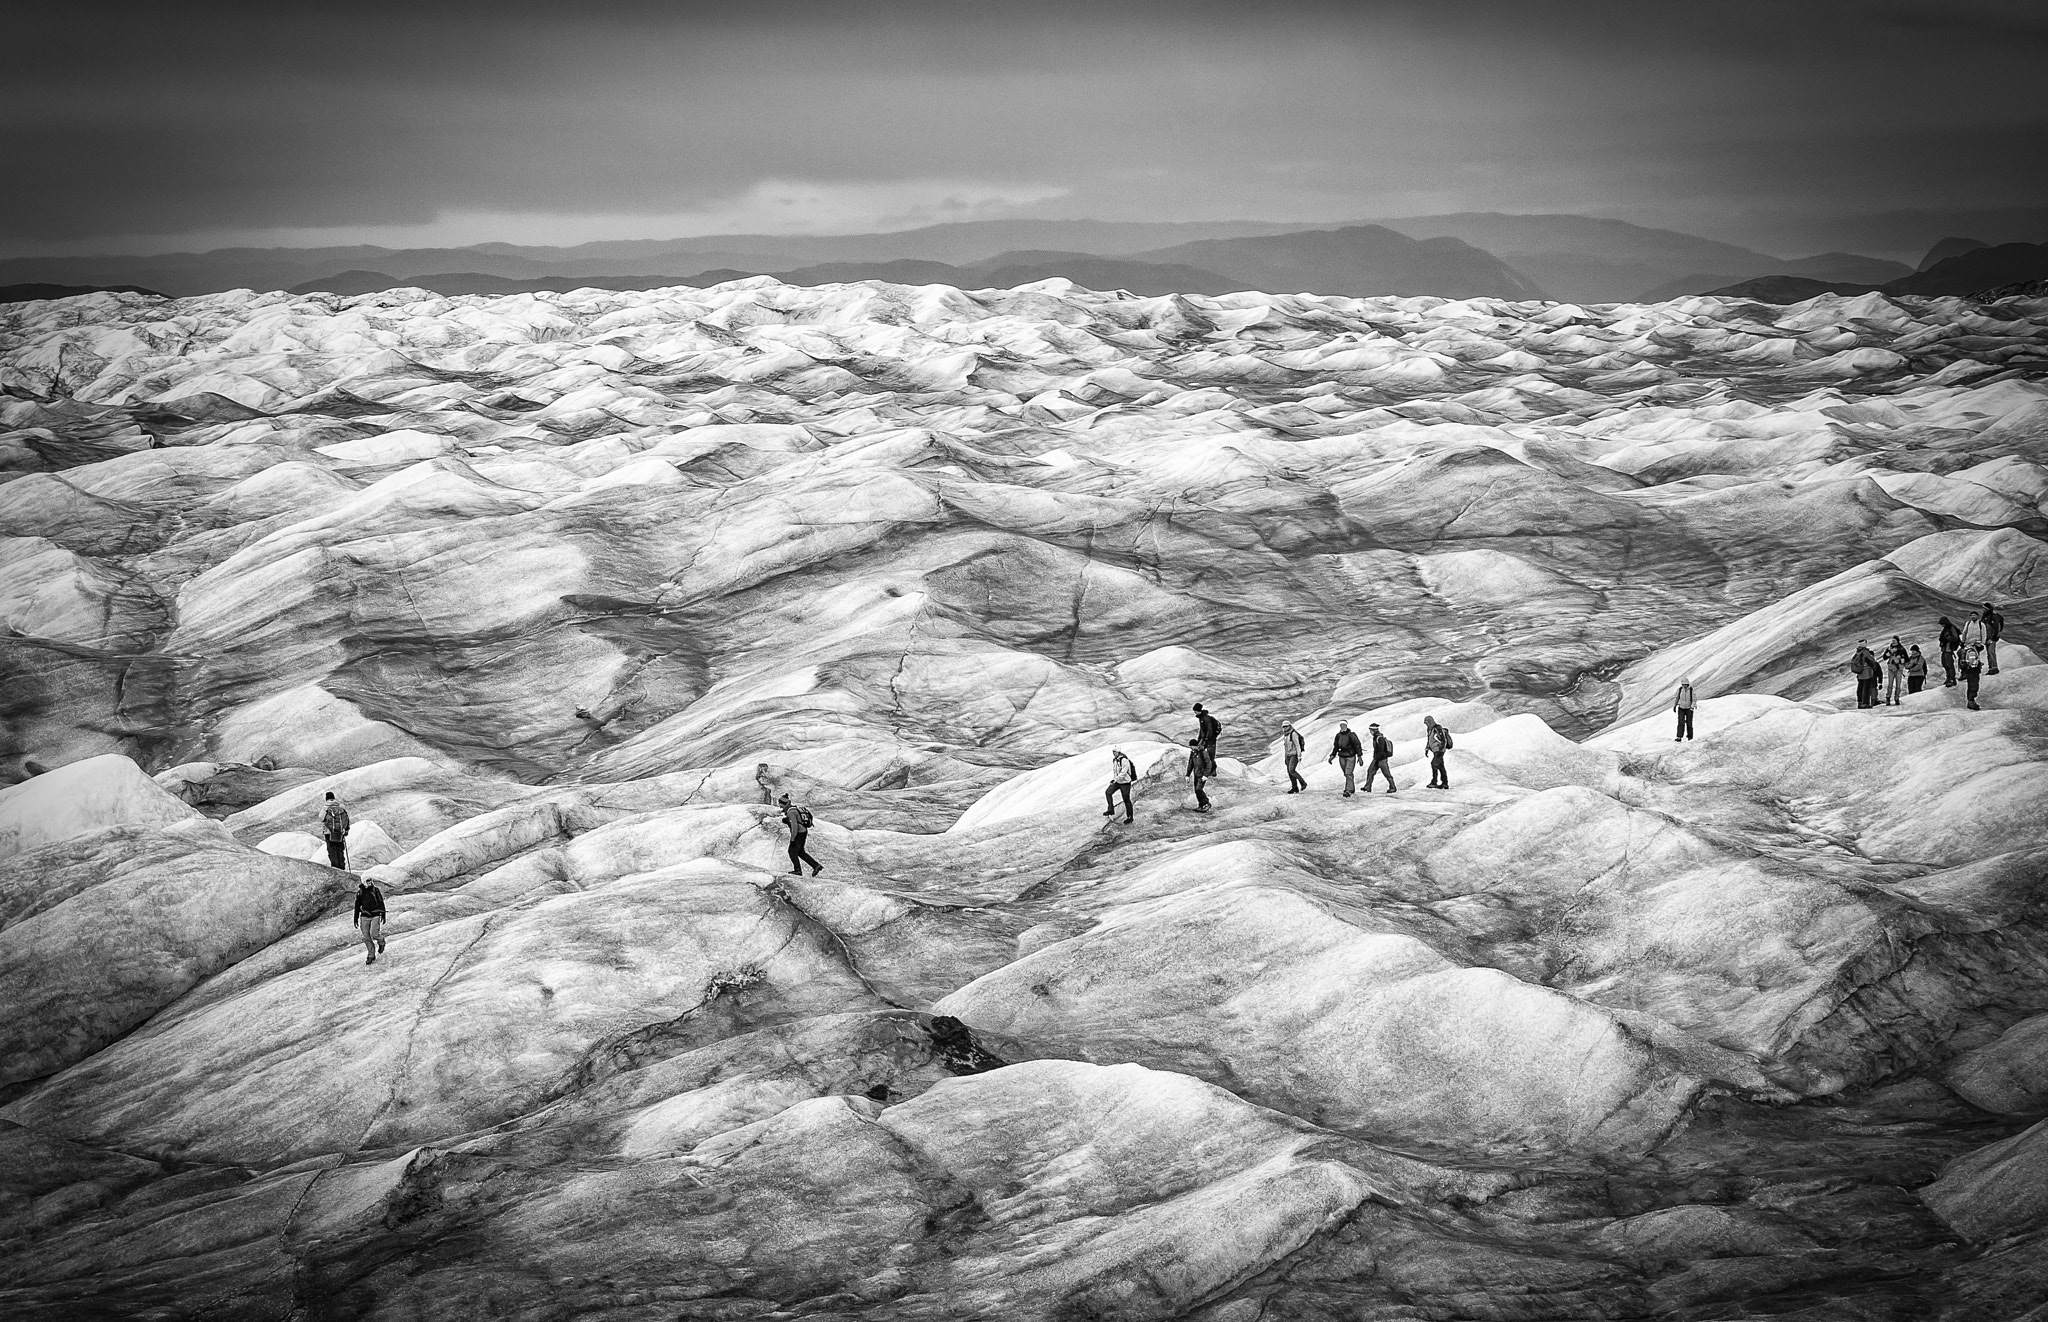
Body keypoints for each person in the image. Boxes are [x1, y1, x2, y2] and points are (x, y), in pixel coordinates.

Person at [778, 793, 822, 875]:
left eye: (780, 804)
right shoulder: (793, 809)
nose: (780, 806)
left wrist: (793, 839)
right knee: (800, 852)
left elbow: (794, 826)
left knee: (792, 851)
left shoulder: (791, 812)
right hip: (803, 832)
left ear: (784, 804)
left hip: (799, 833)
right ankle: (816, 866)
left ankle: (798, 870)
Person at [352, 876, 387, 965]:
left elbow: (380, 902)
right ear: (364, 882)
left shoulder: (375, 890)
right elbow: (357, 906)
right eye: (367, 881)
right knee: (366, 937)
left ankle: (381, 941)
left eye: (370, 881)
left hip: (375, 915)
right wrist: (355, 918)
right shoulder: (360, 893)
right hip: (364, 916)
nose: (369, 883)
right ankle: (371, 955)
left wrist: (383, 914)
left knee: (374, 934)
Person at [1102, 748, 1137, 823]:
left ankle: (1130, 817)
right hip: (1118, 781)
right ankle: (1111, 810)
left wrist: (1116, 779)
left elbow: (1123, 772)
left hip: (1125, 783)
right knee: (1108, 792)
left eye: (1115, 752)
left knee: (1126, 799)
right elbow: (1115, 771)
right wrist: (1114, 779)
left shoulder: (1124, 760)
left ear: (1119, 752)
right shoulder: (1115, 760)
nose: (1114, 753)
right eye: (1113, 752)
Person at [1327, 722, 1362, 796]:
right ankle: (1351, 788)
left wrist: (1359, 756)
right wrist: (1332, 756)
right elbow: (1336, 746)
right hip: (1342, 756)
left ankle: (1348, 790)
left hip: (1350, 756)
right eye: (1341, 725)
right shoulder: (1338, 735)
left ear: (1346, 725)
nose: (1342, 726)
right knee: (1346, 773)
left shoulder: (1352, 735)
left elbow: (1357, 745)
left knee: (1348, 773)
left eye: (1343, 725)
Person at [1363, 723, 1397, 794]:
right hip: (1377, 758)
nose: (1370, 732)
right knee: (1370, 771)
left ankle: (1393, 787)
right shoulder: (1376, 737)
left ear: (1373, 730)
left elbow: (1381, 750)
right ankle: (1367, 787)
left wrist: (1378, 759)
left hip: (1381, 759)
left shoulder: (1379, 738)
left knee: (1386, 773)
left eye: (1371, 730)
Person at [320, 791, 351, 869]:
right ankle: (342, 867)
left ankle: (335, 868)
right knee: (340, 850)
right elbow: (346, 819)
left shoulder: (325, 807)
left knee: (332, 850)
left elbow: (321, 818)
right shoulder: (341, 807)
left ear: (326, 798)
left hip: (329, 833)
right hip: (340, 832)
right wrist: (345, 829)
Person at [1423, 715, 1453, 788]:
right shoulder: (1430, 729)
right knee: (1440, 765)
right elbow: (1429, 739)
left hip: (1439, 750)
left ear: (1430, 722)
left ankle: (1434, 782)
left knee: (1434, 764)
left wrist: (1441, 749)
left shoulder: (1437, 728)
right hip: (1435, 750)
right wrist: (1427, 749)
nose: (1426, 724)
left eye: (1427, 722)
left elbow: (1443, 739)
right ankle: (1444, 783)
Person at [1183, 738, 1211, 813]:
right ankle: (1201, 805)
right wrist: (1187, 775)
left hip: (1202, 775)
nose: (1190, 748)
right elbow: (1190, 764)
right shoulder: (1193, 753)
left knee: (1199, 789)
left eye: (1191, 746)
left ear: (1195, 746)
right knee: (1196, 790)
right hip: (1196, 774)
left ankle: (1206, 803)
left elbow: (1209, 764)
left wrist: (1205, 775)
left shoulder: (1203, 753)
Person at [1849, 642, 1880, 709]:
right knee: (1866, 688)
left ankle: (1860, 702)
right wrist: (1874, 667)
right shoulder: (1865, 652)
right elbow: (1871, 661)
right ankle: (1865, 703)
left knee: (1860, 688)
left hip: (1860, 673)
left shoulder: (1857, 652)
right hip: (1867, 673)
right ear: (1864, 645)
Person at [1192, 703, 1221, 773]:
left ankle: (1212, 771)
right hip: (1205, 739)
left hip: (1210, 740)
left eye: (1195, 711)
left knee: (1210, 756)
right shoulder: (1201, 718)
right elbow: (1202, 730)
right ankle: (1206, 769)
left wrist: (1206, 740)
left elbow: (1209, 730)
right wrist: (1199, 739)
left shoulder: (1205, 718)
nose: (1194, 712)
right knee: (1202, 754)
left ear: (1199, 711)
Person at [1880, 636, 1908, 706]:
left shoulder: (1902, 649)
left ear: (1897, 641)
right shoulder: (1889, 648)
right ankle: (1888, 698)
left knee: (1898, 684)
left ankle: (1897, 698)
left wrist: (1899, 660)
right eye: (1892, 641)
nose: (1893, 642)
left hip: (1898, 668)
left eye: (1894, 640)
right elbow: (1884, 657)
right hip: (1891, 668)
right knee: (1890, 684)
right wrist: (1889, 653)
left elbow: (1907, 659)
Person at [1280, 723, 1307, 793]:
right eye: (1283, 727)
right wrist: (1285, 757)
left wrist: (1299, 755)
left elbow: (1297, 745)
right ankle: (1294, 788)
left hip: (1294, 755)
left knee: (1291, 770)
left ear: (1289, 726)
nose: (1285, 728)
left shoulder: (1293, 734)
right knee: (1289, 772)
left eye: (1286, 726)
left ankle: (1303, 783)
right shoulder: (1286, 735)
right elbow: (1286, 747)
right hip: (1288, 755)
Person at [1959, 639, 1985, 711]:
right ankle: (1971, 702)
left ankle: (1971, 700)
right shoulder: (1972, 651)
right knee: (1973, 686)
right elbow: (1972, 662)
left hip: (1970, 671)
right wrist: (1978, 664)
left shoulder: (1968, 649)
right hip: (1973, 671)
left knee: (1971, 685)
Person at [1938, 616, 1961, 687]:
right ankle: (1948, 678)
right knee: (1944, 663)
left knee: (1949, 664)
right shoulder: (1946, 629)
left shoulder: (1951, 628)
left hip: (1949, 649)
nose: (1942, 625)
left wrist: (1947, 638)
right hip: (1945, 649)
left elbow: (1955, 638)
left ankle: (1952, 679)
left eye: (1942, 624)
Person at [1983, 602, 2004, 674]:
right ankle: (1991, 668)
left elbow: (1996, 628)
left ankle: (1994, 667)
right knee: (1989, 653)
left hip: (1991, 638)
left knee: (1991, 652)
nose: (1983, 610)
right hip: (1987, 638)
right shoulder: (1985, 616)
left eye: (1984, 608)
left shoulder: (1993, 617)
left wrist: (1994, 638)